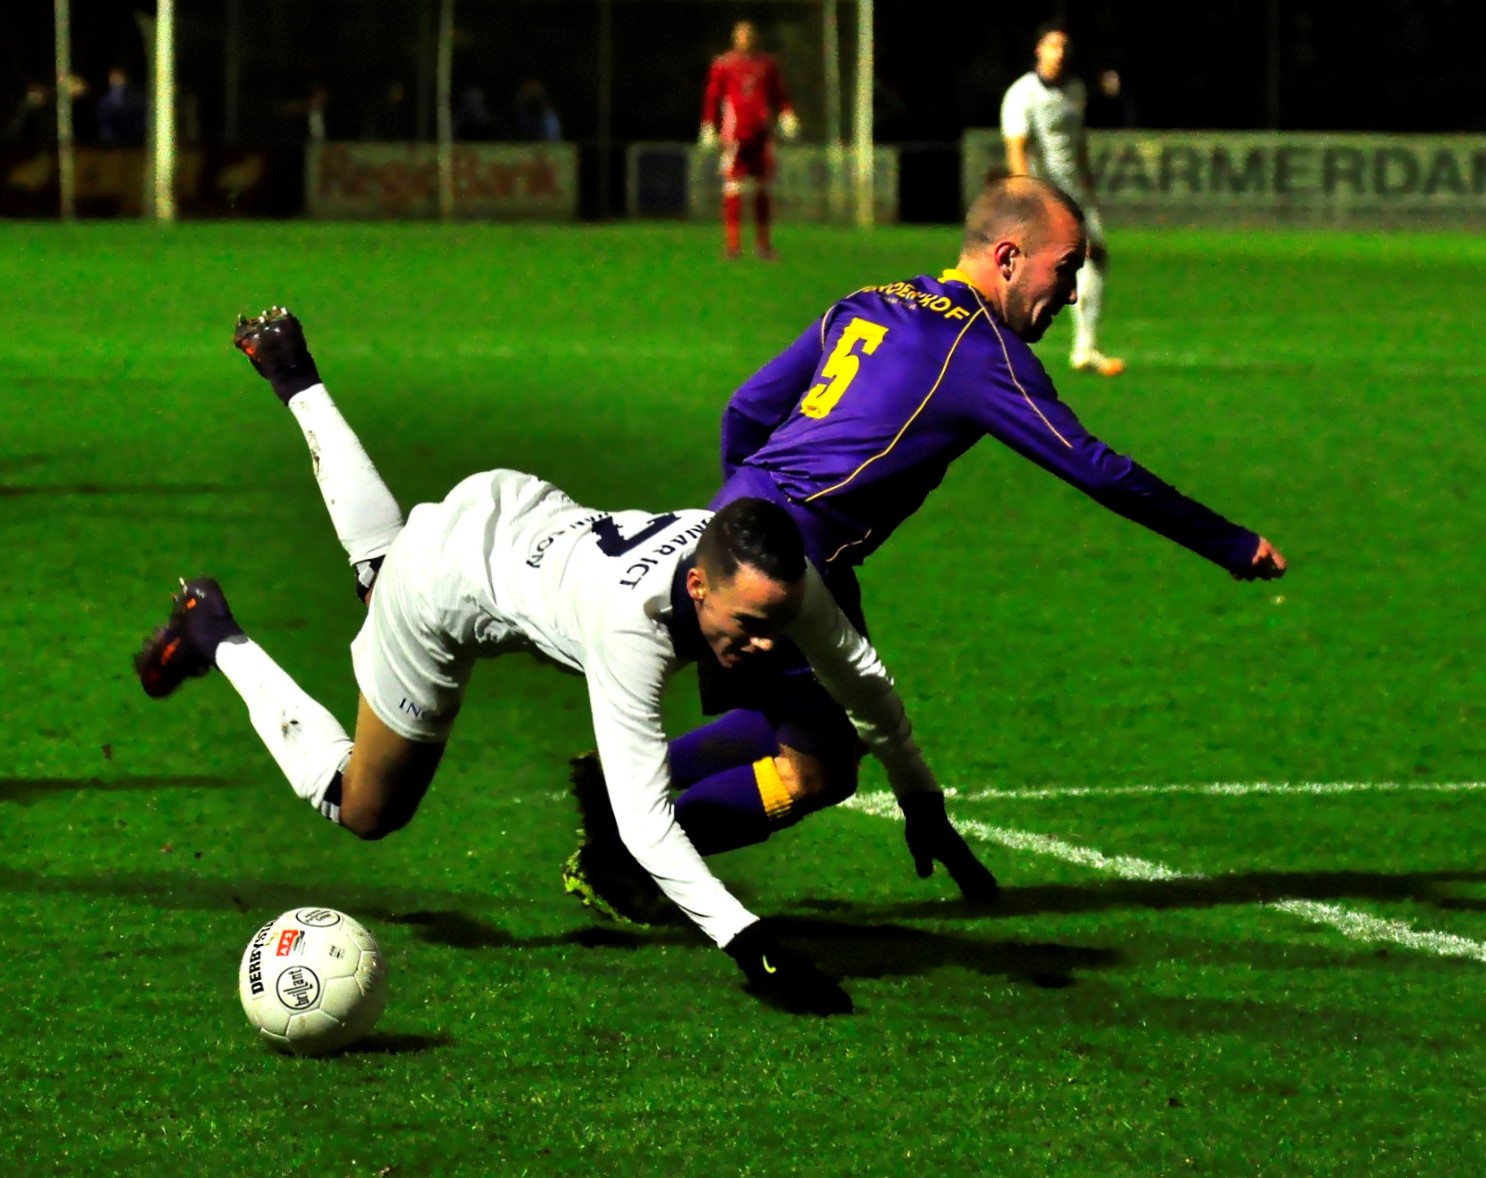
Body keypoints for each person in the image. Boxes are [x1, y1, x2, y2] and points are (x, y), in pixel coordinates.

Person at [134, 309, 968, 1015]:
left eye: (777, 625)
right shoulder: (630, 630)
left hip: (512, 509)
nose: (763, 644)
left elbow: (861, 678)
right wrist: (752, 946)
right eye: (750, 625)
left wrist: (919, 793)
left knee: (383, 561)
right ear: (701, 582)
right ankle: (218, 635)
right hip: (445, 591)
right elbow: (642, 820)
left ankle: (294, 378)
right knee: (365, 806)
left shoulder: (773, 578)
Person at [564, 175, 1287, 919]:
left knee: (818, 710)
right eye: (1065, 269)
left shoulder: (873, 299)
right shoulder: (981, 349)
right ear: (1009, 256)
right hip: (798, 551)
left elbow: (747, 407)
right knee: (822, 770)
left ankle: (609, 782)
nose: (1071, 293)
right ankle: (624, 851)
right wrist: (1227, 542)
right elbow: (1097, 469)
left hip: (751, 525)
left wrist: (737, 535)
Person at [1001, 20, 1123, 377]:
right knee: (1039, 268)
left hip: (1077, 193)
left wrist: (1087, 185)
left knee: (1093, 258)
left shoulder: (1075, 89)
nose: (1059, 53)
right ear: (1038, 49)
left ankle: (1085, 347)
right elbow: (1017, 150)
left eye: (1064, 47)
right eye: (1053, 46)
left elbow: (1077, 141)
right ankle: (993, 341)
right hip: (1044, 195)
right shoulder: (1022, 94)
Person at [699, 20, 797, 261]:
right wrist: (708, 125)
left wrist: (787, 113)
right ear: (735, 38)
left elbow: (779, 93)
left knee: (763, 187)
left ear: (755, 38)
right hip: (735, 135)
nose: (746, 39)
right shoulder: (723, 64)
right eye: (741, 36)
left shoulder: (767, 65)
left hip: (761, 134)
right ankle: (733, 246)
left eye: (749, 35)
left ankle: (763, 245)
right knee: (733, 187)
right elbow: (713, 96)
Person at [95, 66, 146, 148]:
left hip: (132, 133)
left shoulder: (135, 95)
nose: (115, 80)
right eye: (112, 77)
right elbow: (103, 112)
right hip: (113, 135)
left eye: (118, 77)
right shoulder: (106, 98)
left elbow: (138, 111)